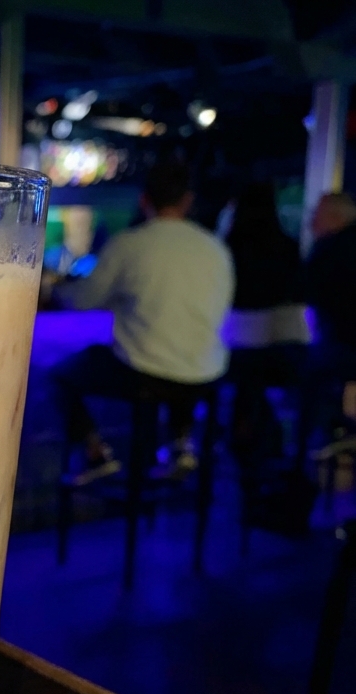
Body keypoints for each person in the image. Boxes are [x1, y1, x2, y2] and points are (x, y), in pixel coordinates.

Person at [51, 161, 234, 483]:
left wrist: (54, 289)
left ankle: (96, 454)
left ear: (144, 200)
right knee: (178, 355)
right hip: (206, 373)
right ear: (187, 201)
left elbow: (84, 299)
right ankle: (181, 445)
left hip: (143, 374)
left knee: (62, 375)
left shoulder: (131, 244)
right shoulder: (215, 248)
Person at [223, 183, 309, 465]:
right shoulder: (288, 246)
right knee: (256, 382)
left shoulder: (228, 247)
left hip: (237, 347)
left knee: (246, 381)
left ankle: (245, 441)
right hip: (283, 348)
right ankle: (270, 447)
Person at [301, 191, 356, 459]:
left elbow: (304, 294)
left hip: (342, 352)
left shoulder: (329, 251)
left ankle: (313, 450)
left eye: (316, 215)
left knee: (307, 372)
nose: (310, 221)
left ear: (334, 219)